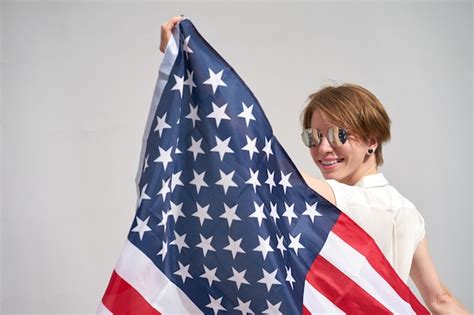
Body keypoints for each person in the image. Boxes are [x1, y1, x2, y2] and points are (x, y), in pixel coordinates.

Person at [159, 16, 470, 314]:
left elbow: (263, 167)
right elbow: (440, 299)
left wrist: (192, 75)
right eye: (313, 136)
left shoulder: (340, 203)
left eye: (339, 135)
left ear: (373, 140)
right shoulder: (407, 213)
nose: (323, 148)